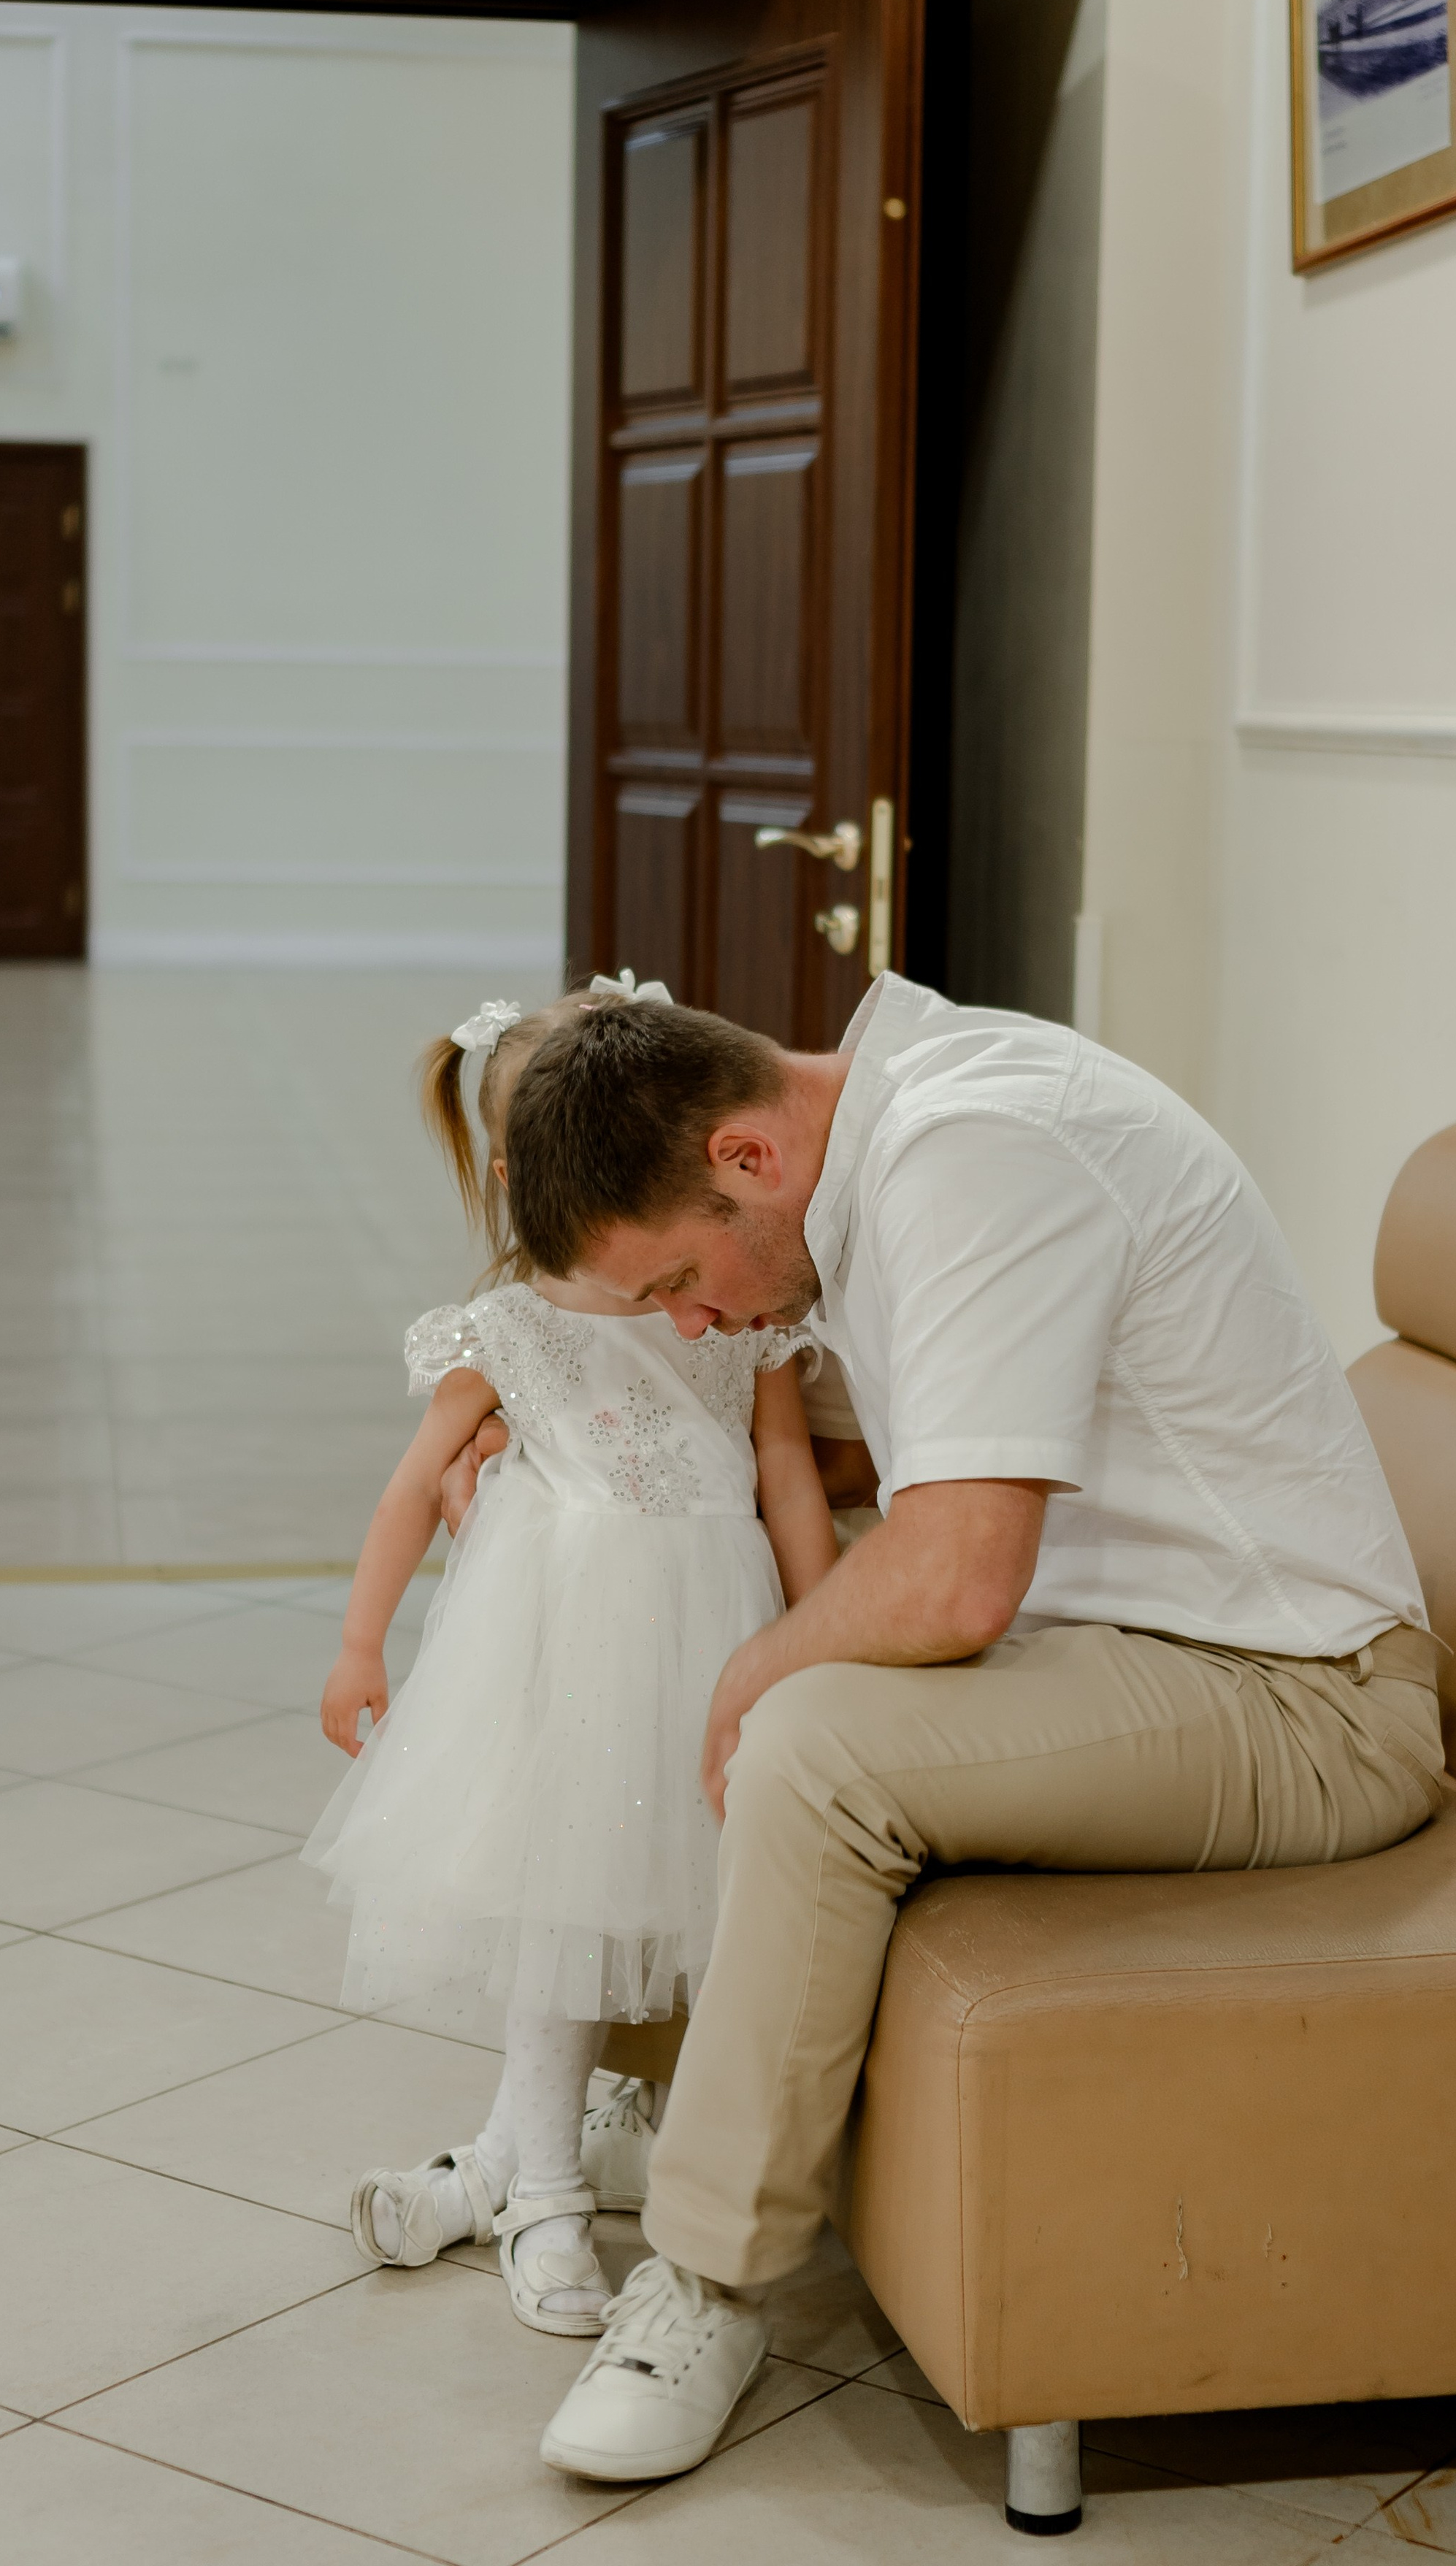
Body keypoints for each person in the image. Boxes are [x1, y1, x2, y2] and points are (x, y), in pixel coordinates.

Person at [494, 971, 1445, 2482]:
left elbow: (951, 1586)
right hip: (1142, 1651)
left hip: (1302, 1700)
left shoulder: (971, 1150)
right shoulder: (897, 1137)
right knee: (712, 1638)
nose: (695, 1320)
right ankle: (664, 2106)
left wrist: (755, 1676)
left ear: (744, 1157)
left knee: (802, 1740)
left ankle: (704, 2282)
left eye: (677, 1279)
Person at [304, 983, 835, 2338]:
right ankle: (539, 2189)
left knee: (713, 1923)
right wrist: (361, 1643)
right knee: (566, 1923)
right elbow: (412, 1489)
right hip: (567, 1650)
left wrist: (822, 1634)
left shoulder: (732, 1305)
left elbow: (784, 1474)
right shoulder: (508, 1333)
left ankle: (542, 2167)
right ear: (522, 1183)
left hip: (714, 1634)